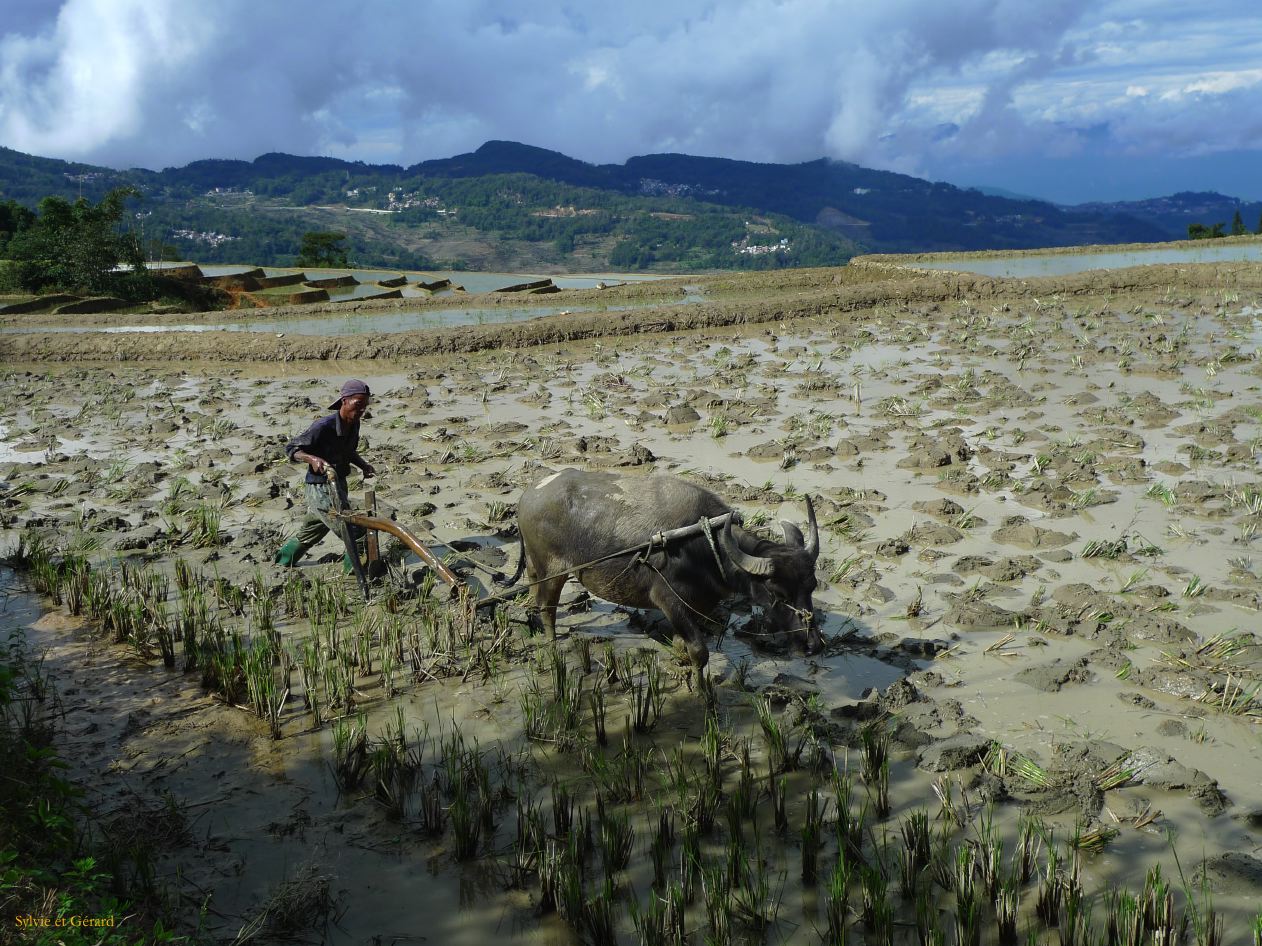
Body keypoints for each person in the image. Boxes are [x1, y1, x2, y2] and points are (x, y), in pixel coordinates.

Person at [274, 379, 376, 568]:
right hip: (321, 489)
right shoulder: (322, 426)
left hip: (339, 484)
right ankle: (355, 574)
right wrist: (311, 459)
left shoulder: (353, 424)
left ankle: (282, 562)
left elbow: (348, 451)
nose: (361, 411)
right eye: (358, 405)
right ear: (344, 401)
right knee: (353, 531)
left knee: (312, 530)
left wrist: (363, 465)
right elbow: (292, 448)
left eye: (364, 406)